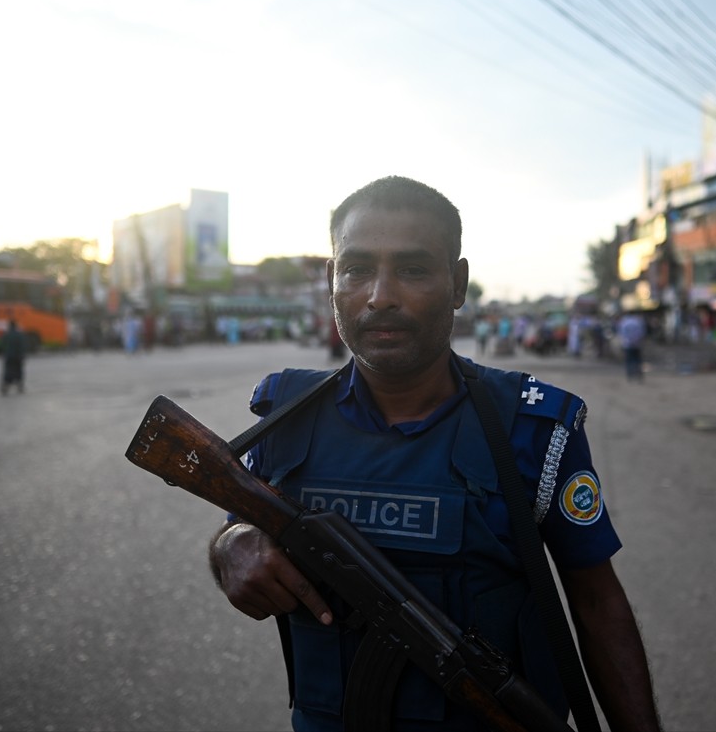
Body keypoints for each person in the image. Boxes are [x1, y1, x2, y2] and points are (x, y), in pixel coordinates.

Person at [207, 176, 661, 732]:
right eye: (356, 270)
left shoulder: (530, 429)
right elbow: (238, 529)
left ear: (458, 283)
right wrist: (230, 546)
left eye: (414, 269)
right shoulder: (287, 417)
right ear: (331, 281)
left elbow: (596, 605)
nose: (380, 296)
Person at [616, 311, 646, 381]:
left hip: (627, 344)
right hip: (637, 344)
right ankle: (638, 374)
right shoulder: (638, 322)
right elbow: (642, 333)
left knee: (629, 360)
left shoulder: (624, 323)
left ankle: (630, 375)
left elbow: (621, 334)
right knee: (637, 360)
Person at [0, 319, 27, 395]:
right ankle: (20, 386)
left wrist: (5, 352)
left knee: (8, 371)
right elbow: (22, 346)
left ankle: (5, 387)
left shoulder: (6, 334)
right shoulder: (19, 335)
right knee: (18, 371)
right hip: (18, 356)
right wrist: (22, 355)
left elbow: (2, 344)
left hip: (9, 356)